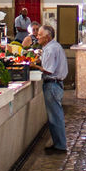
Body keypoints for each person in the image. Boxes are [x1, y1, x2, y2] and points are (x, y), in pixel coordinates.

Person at [34, 24, 68, 155]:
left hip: (52, 85)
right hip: (56, 84)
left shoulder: (50, 49)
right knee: (55, 115)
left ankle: (60, 145)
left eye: (40, 35)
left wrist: (34, 66)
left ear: (47, 38)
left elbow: (49, 70)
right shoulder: (55, 46)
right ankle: (58, 143)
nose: (37, 37)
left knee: (55, 116)